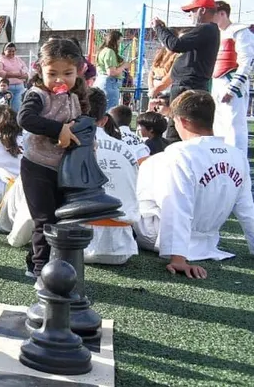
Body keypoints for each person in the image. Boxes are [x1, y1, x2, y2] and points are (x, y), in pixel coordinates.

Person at [135, 90, 254, 279]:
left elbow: (176, 204)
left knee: (148, 167)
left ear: (183, 121)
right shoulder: (237, 155)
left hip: (154, 236)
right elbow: (248, 209)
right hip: (208, 241)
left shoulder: (179, 154)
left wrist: (178, 257)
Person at [17, 38, 90, 277]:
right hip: (37, 166)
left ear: (78, 72)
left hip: (63, 167)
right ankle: (40, 269)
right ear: (40, 70)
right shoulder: (37, 94)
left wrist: (76, 130)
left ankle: (40, 260)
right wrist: (58, 130)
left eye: (67, 73)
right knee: (44, 219)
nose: (60, 80)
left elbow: (82, 121)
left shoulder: (74, 96)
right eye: (53, 73)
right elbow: (25, 119)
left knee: (60, 217)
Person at [82, 87, 140, 265]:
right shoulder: (129, 149)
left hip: (76, 243)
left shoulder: (70, 145)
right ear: (104, 120)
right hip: (123, 247)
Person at [154, 0, 221, 143]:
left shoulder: (206, 29)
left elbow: (175, 45)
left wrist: (158, 28)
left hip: (187, 86)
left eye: (192, 10)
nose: (190, 14)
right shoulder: (209, 31)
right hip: (192, 85)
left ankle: (175, 161)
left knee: (177, 128)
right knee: (194, 127)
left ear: (202, 10)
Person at [211, 0, 254, 152]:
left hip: (231, 81)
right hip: (216, 83)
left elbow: (246, 61)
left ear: (222, 13)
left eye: (213, 14)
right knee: (218, 126)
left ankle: (239, 163)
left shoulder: (240, 31)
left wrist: (233, 88)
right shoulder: (216, 34)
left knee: (235, 126)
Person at [93, 30, 128, 112]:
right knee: (110, 112)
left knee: (99, 111)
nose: (119, 45)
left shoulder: (101, 51)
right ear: (114, 41)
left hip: (100, 81)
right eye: (119, 42)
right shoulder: (110, 51)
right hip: (109, 83)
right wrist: (124, 66)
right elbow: (111, 72)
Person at [0, 42, 28, 112]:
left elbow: (25, 68)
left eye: (13, 51)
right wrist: (16, 74)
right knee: (5, 109)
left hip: (19, 88)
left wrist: (22, 73)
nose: (11, 53)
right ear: (4, 51)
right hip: (7, 88)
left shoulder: (18, 59)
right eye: (9, 51)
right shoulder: (1, 59)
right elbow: (0, 72)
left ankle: (15, 122)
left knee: (16, 108)